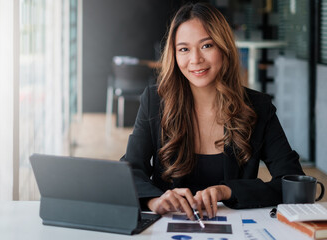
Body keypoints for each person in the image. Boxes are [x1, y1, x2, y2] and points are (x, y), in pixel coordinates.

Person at [120, 2, 305, 220]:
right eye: (184, 49)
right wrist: (155, 201)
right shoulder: (155, 101)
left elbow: (293, 183)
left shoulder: (257, 107)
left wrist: (227, 191)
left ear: (224, 47)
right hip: (167, 228)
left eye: (206, 46)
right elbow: (129, 172)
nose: (195, 59)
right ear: (174, 54)